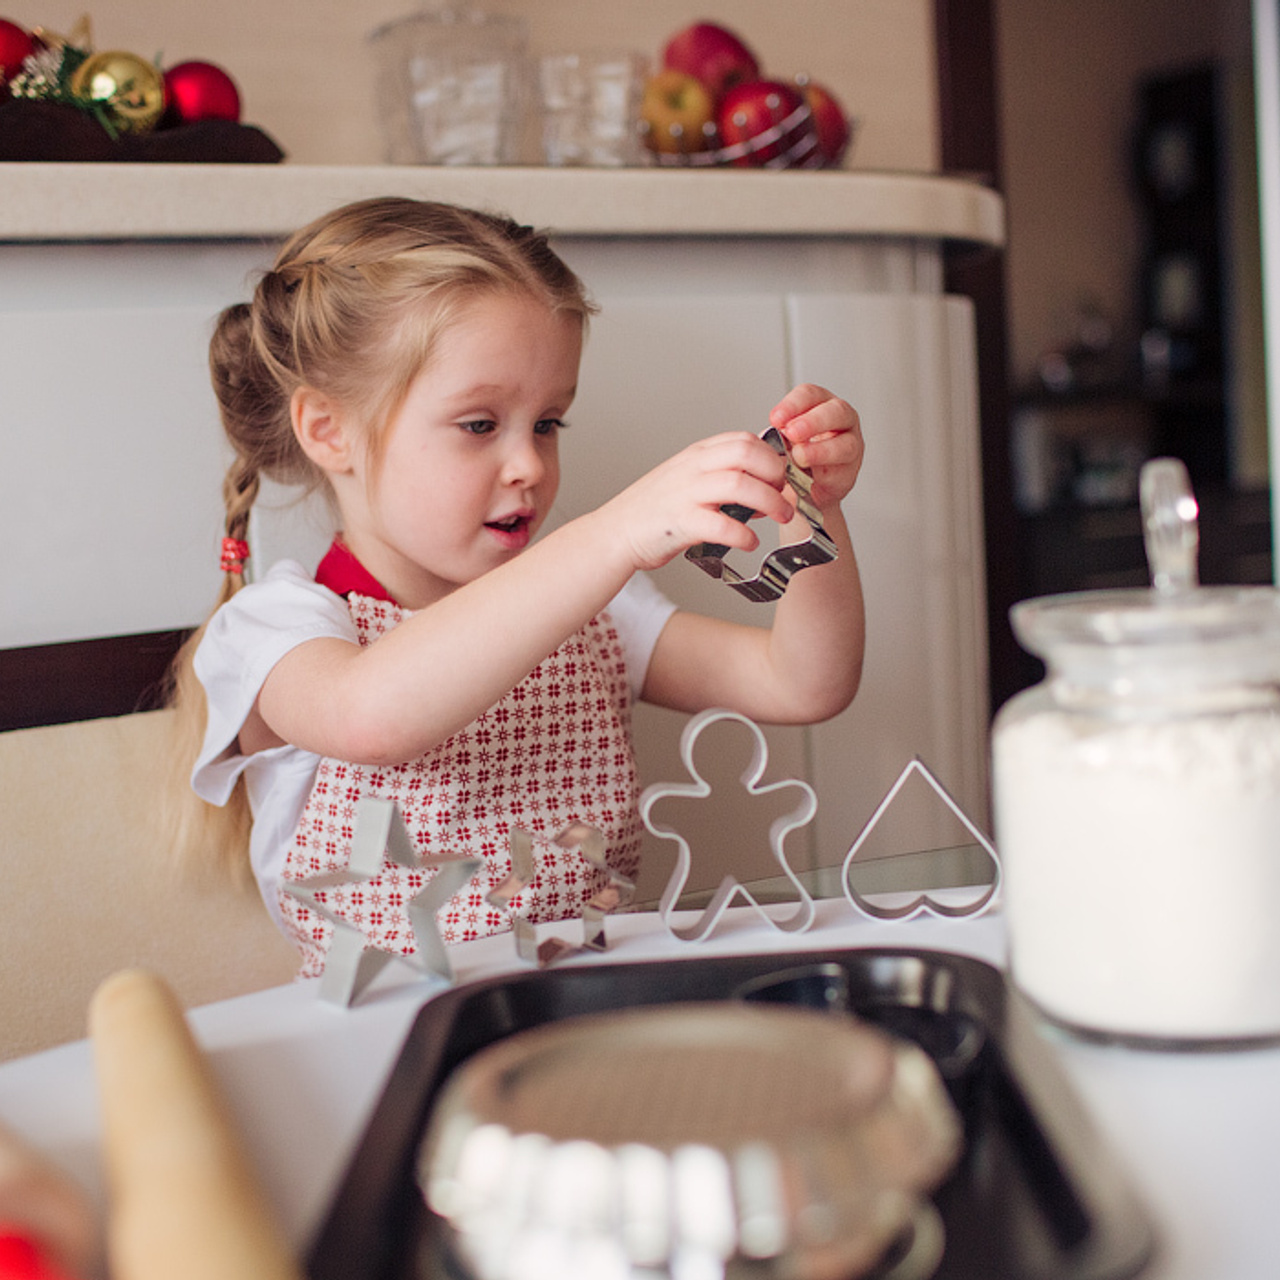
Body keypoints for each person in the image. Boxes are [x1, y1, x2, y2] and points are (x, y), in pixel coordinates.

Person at [165, 196, 865, 977]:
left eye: (547, 423)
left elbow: (804, 683)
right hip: (393, 1029)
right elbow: (373, 717)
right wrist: (612, 533)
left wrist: (814, 512)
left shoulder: (600, 610)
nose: (529, 465)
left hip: (587, 1008)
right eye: (479, 425)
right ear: (330, 432)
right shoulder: (277, 628)